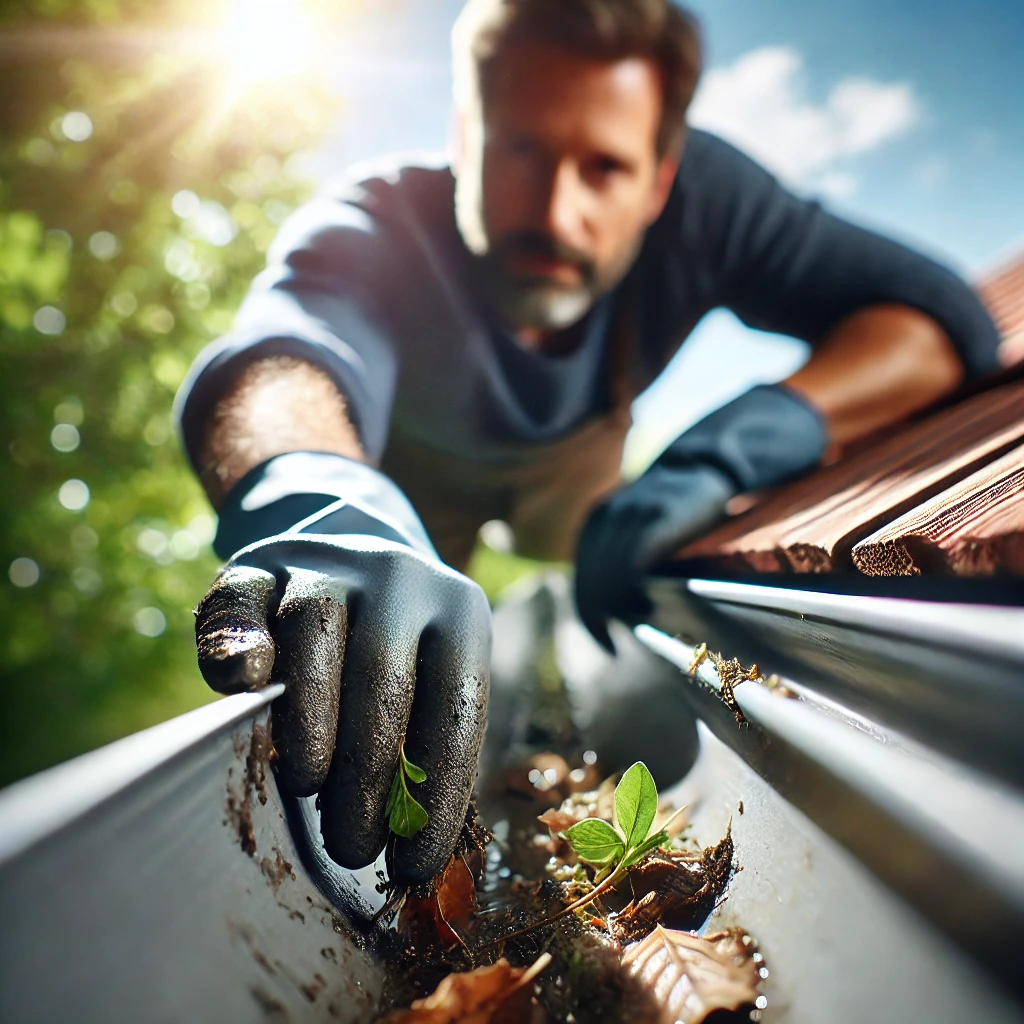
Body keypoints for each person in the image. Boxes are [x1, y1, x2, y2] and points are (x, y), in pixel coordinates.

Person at [175, 0, 1000, 885]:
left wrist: (732, 450)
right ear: (466, 135)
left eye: (604, 168)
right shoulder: (373, 228)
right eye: (521, 150)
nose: (557, 215)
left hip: (579, 479)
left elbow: (939, 322)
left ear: (657, 181)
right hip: (402, 495)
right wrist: (315, 494)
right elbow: (277, 367)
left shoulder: (711, 209)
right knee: (366, 686)